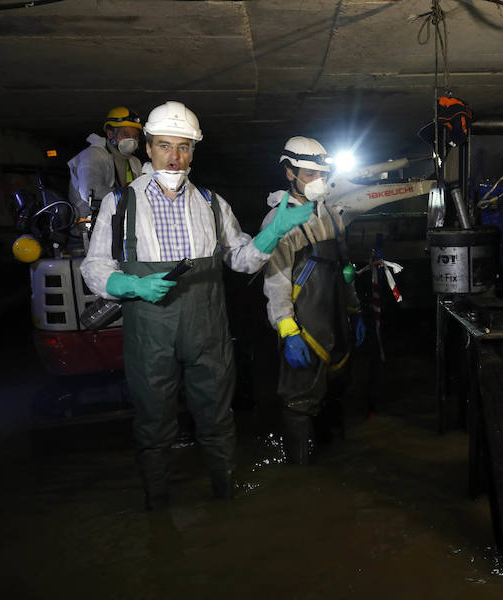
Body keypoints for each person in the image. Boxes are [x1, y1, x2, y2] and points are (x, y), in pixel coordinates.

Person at [80, 101, 313, 509]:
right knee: (153, 423)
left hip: (208, 329)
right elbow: (94, 267)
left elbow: (241, 259)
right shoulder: (120, 204)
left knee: (218, 419)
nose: (175, 157)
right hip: (150, 331)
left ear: (193, 151)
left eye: (184, 147)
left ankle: (224, 499)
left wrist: (271, 233)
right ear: (148, 148)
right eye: (165, 146)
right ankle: (157, 505)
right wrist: (127, 284)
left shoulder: (211, 202)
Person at [261, 136, 366, 465]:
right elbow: (275, 281)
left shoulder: (332, 214)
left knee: (334, 389)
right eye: (309, 175)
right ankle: (299, 475)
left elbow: (344, 267)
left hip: (334, 317)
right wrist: (288, 330)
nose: (317, 181)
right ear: (289, 172)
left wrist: (354, 308)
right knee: (299, 399)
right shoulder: (277, 221)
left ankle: (332, 470)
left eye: (322, 174)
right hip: (304, 323)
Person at [68, 106, 144, 220]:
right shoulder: (92, 156)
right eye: (125, 134)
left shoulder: (135, 162)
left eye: (135, 136)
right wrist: (131, 196)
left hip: (120, 224)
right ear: (110, 134)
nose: (131, 140)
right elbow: (92, 192)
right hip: (87, 229)